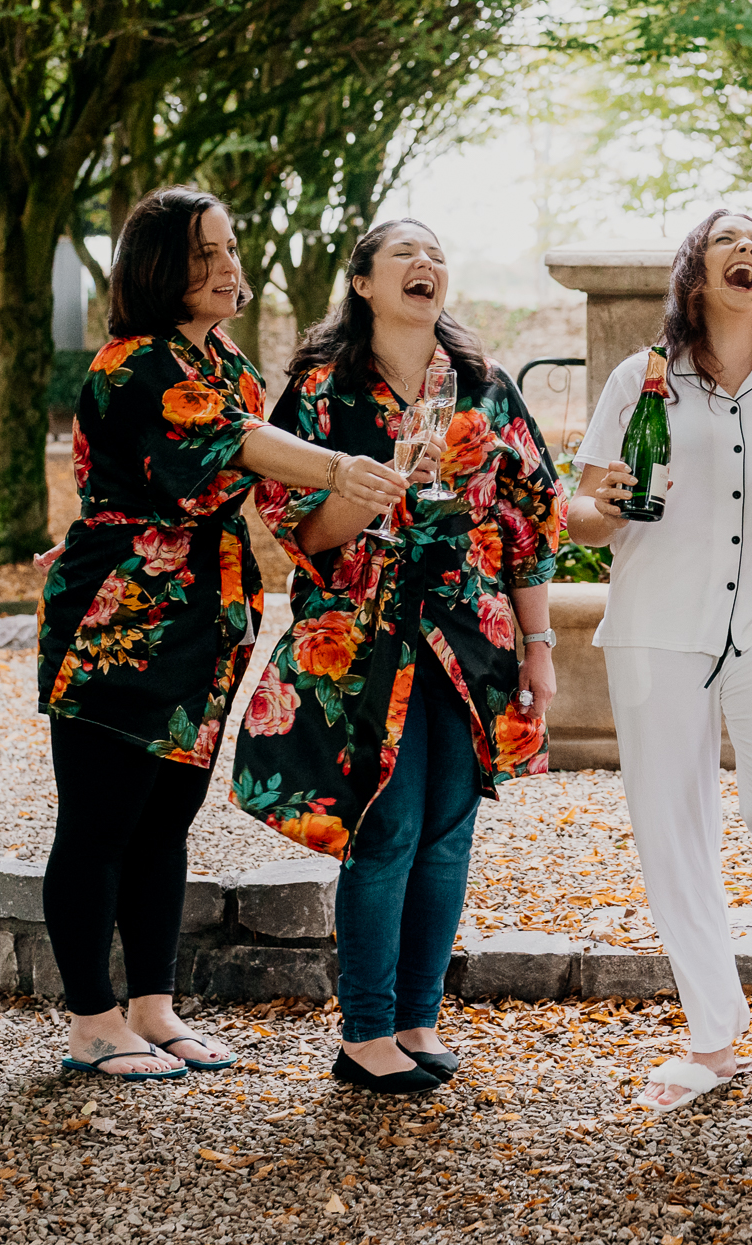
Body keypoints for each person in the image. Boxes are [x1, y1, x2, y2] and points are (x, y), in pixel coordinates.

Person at [36, 187, 415, 1079]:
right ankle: (92, 1022)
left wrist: (362, 488)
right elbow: (240, 442)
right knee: (99, 823)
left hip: (207, 618)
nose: (226, 267)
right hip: (118, 619)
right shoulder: (133, 365)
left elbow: (271, 463)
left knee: (166, 821)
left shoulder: (230, 364)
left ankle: (155, 1009)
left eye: (229, 248)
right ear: (159, 267)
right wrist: (344, 469)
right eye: (203, 253)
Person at [232, 218, 563, 1095]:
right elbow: (296, 531)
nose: (428, 265)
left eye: (439, 255)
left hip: (471, 637)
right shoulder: (321, 389)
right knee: (387, 829)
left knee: (451, 832)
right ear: (365, 283)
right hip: (363, 641)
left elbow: (531, 523)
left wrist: (540, 648)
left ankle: (419, 1019)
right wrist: (362, 486)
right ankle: (366, 1031)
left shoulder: (485, 386)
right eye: (405, 255)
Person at [567, 210, 752, 1112]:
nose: (747, 253)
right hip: (657, 621)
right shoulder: (638, 379)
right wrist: (602, 505)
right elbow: (581, 513)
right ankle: (710, 1030)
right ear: (697, 275)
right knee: (671, 826)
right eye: (729, 241)